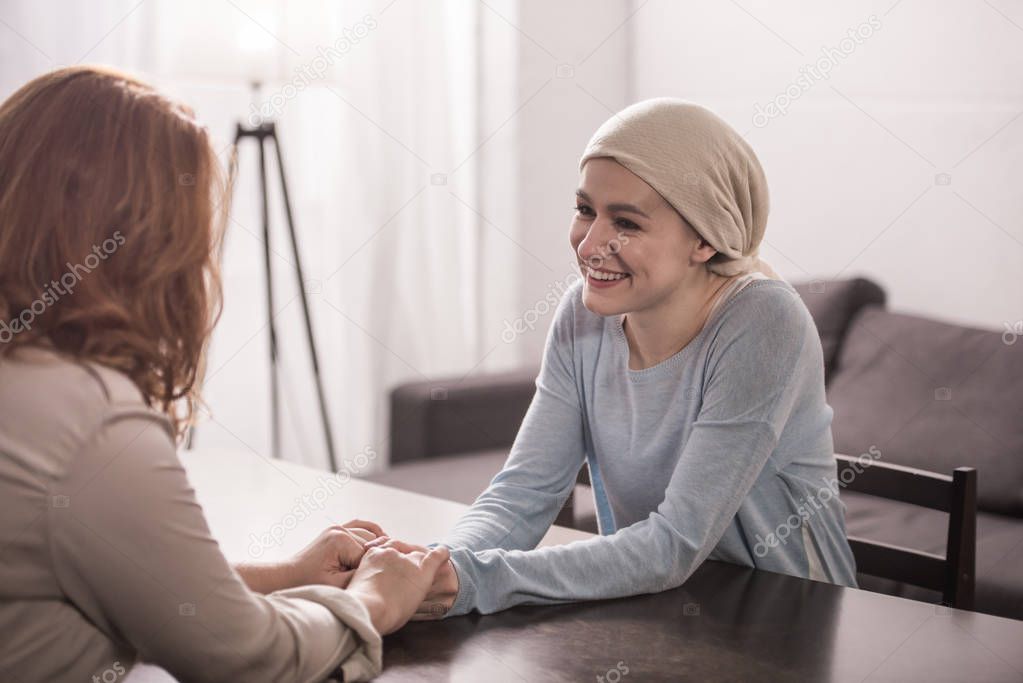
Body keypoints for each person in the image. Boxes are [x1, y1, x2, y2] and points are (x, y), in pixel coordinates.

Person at [0, 66, 448, 682]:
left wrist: (286, 577)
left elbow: (124, 585)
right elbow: (247, 660)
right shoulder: (90, 425)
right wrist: (373, 598)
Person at [376, 98, 859, 618]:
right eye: (586, 210)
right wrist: (433, 564)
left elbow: (672, 545)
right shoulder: (582, 316)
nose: (591, 246)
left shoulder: (764, 323)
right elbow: (523, 492)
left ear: (704, 239)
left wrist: (475, 579)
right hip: (654, 611)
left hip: (786, 630)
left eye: (625, 223)